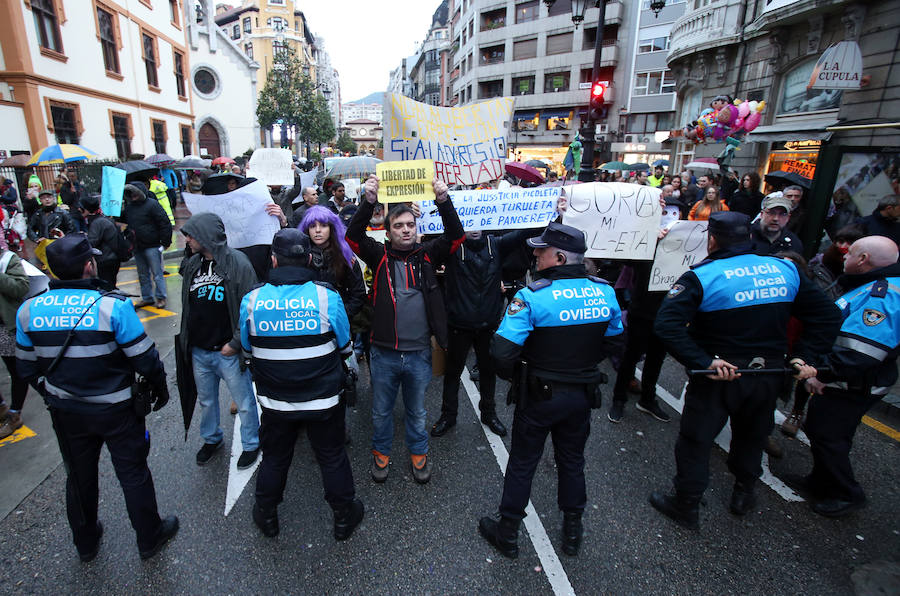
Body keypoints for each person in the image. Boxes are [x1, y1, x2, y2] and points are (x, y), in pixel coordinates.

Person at [649, 212, 841, 529]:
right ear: (749, 237)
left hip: (719, 376)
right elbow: (828, 317)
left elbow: (667, 327)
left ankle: (686, 503)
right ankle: (744, 492)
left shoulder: (702, 276)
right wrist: (803, 357)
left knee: (696, 441)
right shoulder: (785, 269)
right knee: (752, 436)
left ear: (712, 240)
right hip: (768, 375)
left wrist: (703, 361)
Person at [14, 233, 178, 561]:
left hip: (66, 411)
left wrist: (51, 393)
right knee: (132, 473)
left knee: (78, 476)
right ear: (90, 265)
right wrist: (160, 389)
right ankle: (149, 537)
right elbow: (145, 359)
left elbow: (26, 369)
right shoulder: (112, 306)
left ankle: (86, 543)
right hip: (117, 408)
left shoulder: (28, 311)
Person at [478, 222, 623, 559]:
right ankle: (573, 531)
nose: (535, 254)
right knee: (572, 461)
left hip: (539, 394)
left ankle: (508, 532)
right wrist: (582, 364)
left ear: (559, 257)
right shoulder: (605, 291)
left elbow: (500, 353)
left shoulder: (531, 296)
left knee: (523, 462)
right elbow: (616, 342)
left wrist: (519, 374)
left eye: (541, 251)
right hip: (581, 395)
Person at [240, 229, 364, 540]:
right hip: (323, 400)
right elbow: (346, 347)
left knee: (276, 457)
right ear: (309, 258)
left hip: (275, 402)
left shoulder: (252, 300)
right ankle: (343, 517)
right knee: (332, 456)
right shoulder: (327, 297)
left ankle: (266, 516)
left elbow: (246, 350)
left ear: (273, 260)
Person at [345, 175, 465, 484]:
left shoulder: (427, 255)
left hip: (419, 354)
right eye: (398, 226)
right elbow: (352, 236)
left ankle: (418, 454)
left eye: (410, 224)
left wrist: (443, 200)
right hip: (383, 354)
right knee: (382, 413)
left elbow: (455, 236)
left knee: (417, 413)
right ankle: (381, 455)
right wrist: (368, 201)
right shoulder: (379, 255)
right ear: (388, 232)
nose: (406, 230)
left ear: (417, 228)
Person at [795, 236, 900, 517]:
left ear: (863, 260)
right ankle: (821, 480)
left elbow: (860, 354)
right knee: (820, 427)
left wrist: (823, 375)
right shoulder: (870, 287)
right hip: (845, 379)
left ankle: (846, 492)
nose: (844, 257)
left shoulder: (881, 295)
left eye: (850, 253)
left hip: (852, 382)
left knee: (829, 434)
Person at [431, 228, 533, 439]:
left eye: (478, 224)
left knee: (488, 371)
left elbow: (526, 231)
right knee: (452, 373)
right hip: (458, 324)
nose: (474, 229)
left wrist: (552, 214)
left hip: (487, 324)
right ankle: (448, 415)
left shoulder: (496, 244)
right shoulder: (452, 246)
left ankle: (489, 413)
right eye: (469, 224)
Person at [178, 213, 260, 469]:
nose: (188, 239)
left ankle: (251, 443)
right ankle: (211, 438)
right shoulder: (193, 263)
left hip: (228, 351)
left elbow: (250, 306)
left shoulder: (238, 263)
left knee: (245, 401)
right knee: (206, 401)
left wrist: (235, 343)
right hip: (199, 350)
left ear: (205, 235)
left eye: (192, 234)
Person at [120, 183, 172, 309]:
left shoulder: (152, 205)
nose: (132, 196)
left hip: (152, 244)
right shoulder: (130, 207)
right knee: (143, 274)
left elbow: (164, 223)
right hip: (139, 245)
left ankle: (160, 297)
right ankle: (148, 297)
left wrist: (165, 242)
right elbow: (123, 218)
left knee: (157, 273)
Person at [0, 244, 30, 439]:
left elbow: (21, 288)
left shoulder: (7, 260)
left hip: (5, 326)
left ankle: (15, 413)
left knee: (17, 370)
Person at [80, 194, 121, 288]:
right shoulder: (101, 219)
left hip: (106, 259)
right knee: (110, 285)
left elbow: (92, 242)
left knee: (107, 287)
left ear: (87, 209)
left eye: (81, 207)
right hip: (111, 258)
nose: (79, 210)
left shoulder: (97, 222)